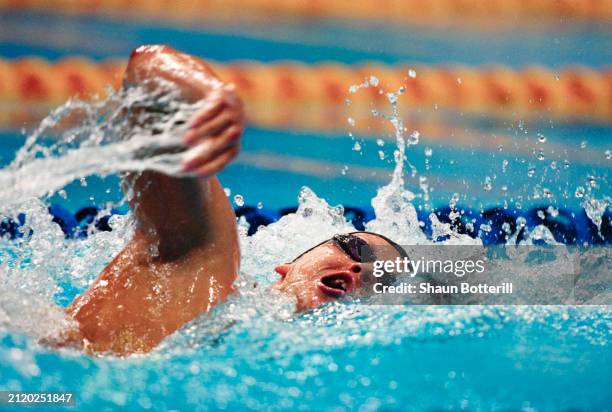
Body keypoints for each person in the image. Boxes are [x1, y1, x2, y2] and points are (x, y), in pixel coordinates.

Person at [57, 45, 406, 355]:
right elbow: (146, 68)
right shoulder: (203, 263)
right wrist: (207, 93)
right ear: (286, 265)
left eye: (384, 281)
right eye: (356, 249)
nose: (363, 269)